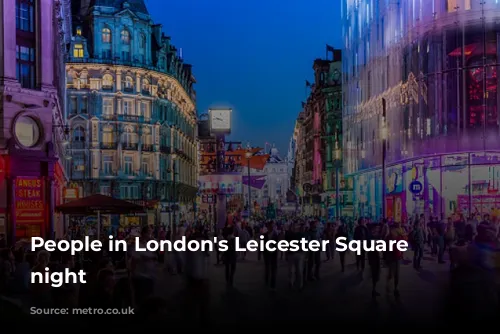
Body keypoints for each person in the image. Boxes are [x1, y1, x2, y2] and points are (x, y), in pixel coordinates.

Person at [129, 226, 157, 307]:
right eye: (149, 233)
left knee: (149, 299)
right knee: (141, 301)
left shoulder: (150, 244)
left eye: (151, 233)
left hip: (150, 276)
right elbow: (134, 260)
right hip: (140, 277)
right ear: (143, 234)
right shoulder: (137, 245)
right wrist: (132, 274)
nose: (150, 235)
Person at [385, 222, 407, 297]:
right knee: (391, 274)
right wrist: (385, 258)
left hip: (397, 257)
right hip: (390, 258)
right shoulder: (388, 238)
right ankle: (388, 285)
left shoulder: (399, 237)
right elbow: (385, 248)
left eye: (395, 229)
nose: (394, 230)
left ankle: (396, 288)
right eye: (393, 229)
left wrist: (402, 254)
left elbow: (403, 244)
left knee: (397, 274)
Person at [263, 220, 279, 290]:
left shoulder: (276, 235)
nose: (271, 227)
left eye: (272, 226)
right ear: (268, 227)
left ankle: (273, 284)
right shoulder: (265, 235)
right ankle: (266, 280)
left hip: (273, 254)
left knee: (273, 269)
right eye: (270, 226)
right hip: (266, 254)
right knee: (267, 268)